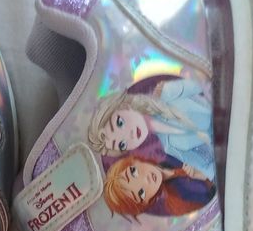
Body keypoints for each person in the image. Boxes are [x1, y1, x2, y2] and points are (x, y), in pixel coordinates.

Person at [88, 76, 216, 181]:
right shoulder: (167, 147)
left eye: (120, 123)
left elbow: (204, 83)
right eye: (122, 144)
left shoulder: (165, 93)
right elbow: (209, 168)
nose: (130, 135)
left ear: (124, 106)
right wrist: (201, 174)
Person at [103, 153, 216, 218]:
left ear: (135, 161)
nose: (146, 180)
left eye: (133, 172)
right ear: (147, 202)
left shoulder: (169, 154)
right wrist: (207, 176)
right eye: (141, 193)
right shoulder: (179, 202)